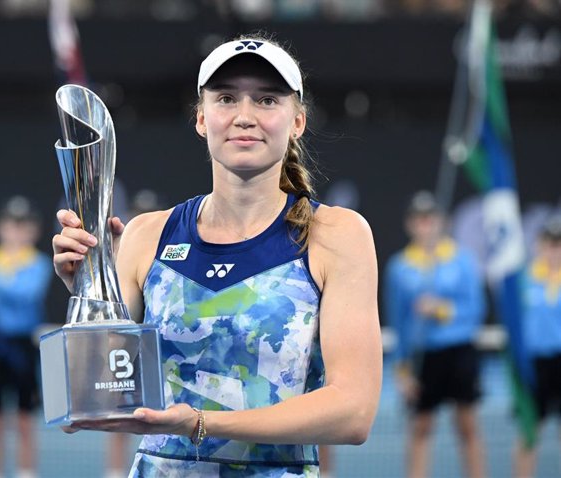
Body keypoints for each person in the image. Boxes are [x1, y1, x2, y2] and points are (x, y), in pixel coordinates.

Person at [53, 35, 382, 476]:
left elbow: (353, 412)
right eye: (226, 98)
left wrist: (201, 424)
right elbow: (93, 397)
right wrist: (90, 291)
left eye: (267, 100)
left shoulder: (336, 235)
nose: (245, 117)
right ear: (201, 119)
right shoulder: (148, 234)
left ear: (298, 121)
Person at [385, 191, 487, 478]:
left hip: (459, 350)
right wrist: (402, 368)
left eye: (430, 218)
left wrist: (442, 310)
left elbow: (476, 308)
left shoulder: (462, 259)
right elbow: (398, 321)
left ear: (441, 222)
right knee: (421, 426)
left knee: (467, 424)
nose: (425, 225)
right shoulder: (400, 267)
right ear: (410, 224)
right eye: (419, 219)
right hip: (424, 354)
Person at [0, 196, 52, 478]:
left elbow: (27, 295)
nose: (16, 232)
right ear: (0, 227)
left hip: (22, 348)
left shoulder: (38, 264)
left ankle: (26, 473)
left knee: (25, 419)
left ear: (34, 230)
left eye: (23, 225)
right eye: (11, 225)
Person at [515, 215, 561, 478]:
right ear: (540, 245)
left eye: (559, 244)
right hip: (536, 365)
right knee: (529, 433)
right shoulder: (525, 280)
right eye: (550, 243)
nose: (554, 250)